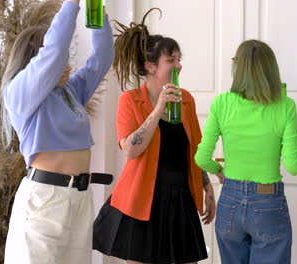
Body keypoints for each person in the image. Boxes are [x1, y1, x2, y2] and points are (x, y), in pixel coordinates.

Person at [92, 8, 215, 264]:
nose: (179, 65)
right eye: (171, 60)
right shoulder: (130, 101)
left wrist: (207, 188)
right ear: (150, 66)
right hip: (140, 202)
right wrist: (158, 109)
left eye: (179, 59)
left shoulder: (187, 100)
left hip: (180, 199)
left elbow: (194, 150)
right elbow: (131, 149)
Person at [1, 0, 114, 263]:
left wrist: (97, 10)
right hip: (45, 199)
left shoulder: (69, 92)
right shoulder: (19, 93)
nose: (67, 65)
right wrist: (71, 3)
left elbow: (102, 58)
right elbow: (52, 54)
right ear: (35, 62)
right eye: (61, 59)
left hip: (80, 198)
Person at [194, 39, 297, 264]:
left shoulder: (221, 103)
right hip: (268, 202)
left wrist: (219, 170)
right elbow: (294, 167)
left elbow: (201, 158)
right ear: (272, 70)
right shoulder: (285, 105)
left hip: (230, 201)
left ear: (239, 68)